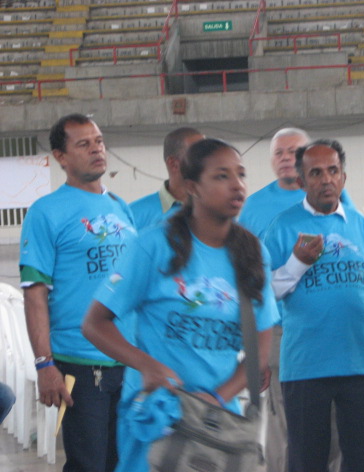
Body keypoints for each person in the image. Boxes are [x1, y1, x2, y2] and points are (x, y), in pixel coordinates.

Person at [82, 138, 277, 472]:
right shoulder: (154, 245)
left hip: (216, 427)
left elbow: (260, 346)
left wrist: (217, 397)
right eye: (222, 176)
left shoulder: (252, 253)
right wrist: (147, 366)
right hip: (157, 419)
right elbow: (94, 323)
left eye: (241, 174)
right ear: (192, 187)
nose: (237, 185)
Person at [19, 113, 137, 472]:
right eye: (83, 144)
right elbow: (35, 294)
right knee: (89, 465)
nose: (96, 150)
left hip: (128, 360)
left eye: (99, 141)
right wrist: (44, 364)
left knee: (126, 463)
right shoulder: (46, 212)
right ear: (61, 157)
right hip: (82, 364)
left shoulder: (120, 207)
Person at [264, 139, 364, 472]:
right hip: (307, 367)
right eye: (316, 173)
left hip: (363, 364)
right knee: (308, 462)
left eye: (333, 171)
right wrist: (296, 263)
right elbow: (262, 294)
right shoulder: (282, 227)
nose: (326, 179)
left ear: (343, 177)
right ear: (301, 182)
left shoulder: (359, 224)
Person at [238, 127, 346, 472]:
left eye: (295, 151)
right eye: (279, 152)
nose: (287, 158)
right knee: (286, 430)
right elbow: (248, 282)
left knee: (334, 429)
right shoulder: (252, 208)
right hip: (281, 333)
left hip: (331, 332)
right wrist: (254, 349)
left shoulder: (339, 201)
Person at [130, 127, 204, 230]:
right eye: (199, 155)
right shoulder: (132, 215)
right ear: (173, 164)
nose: (209, 161)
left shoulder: (220, 210)